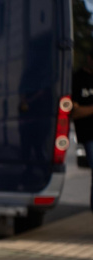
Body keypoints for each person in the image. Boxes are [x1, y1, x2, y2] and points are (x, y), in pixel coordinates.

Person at [72, 49, 93, 213]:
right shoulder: (78, 79)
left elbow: (82, 109)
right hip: (89, 135)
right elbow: (75, 112)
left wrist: (86, 108)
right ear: (89, 59)